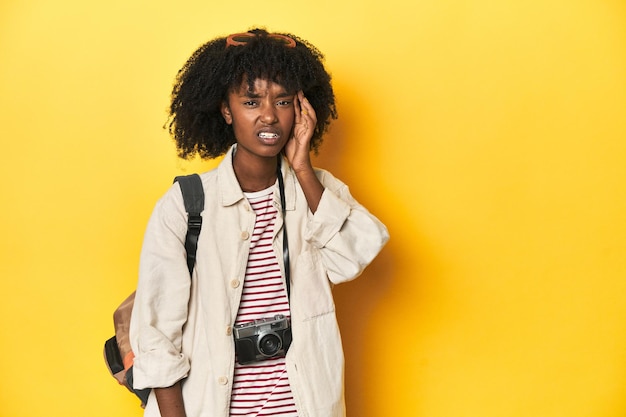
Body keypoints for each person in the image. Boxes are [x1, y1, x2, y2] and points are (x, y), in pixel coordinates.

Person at [129, 28, 389, 417]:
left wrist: (302, 167)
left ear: (301, 109)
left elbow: (353, 257)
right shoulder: (187, 204)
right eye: (251, 101)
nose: (269, 115)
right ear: (226, 109)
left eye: (283, 100)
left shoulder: (317, 190)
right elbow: (156, 336)